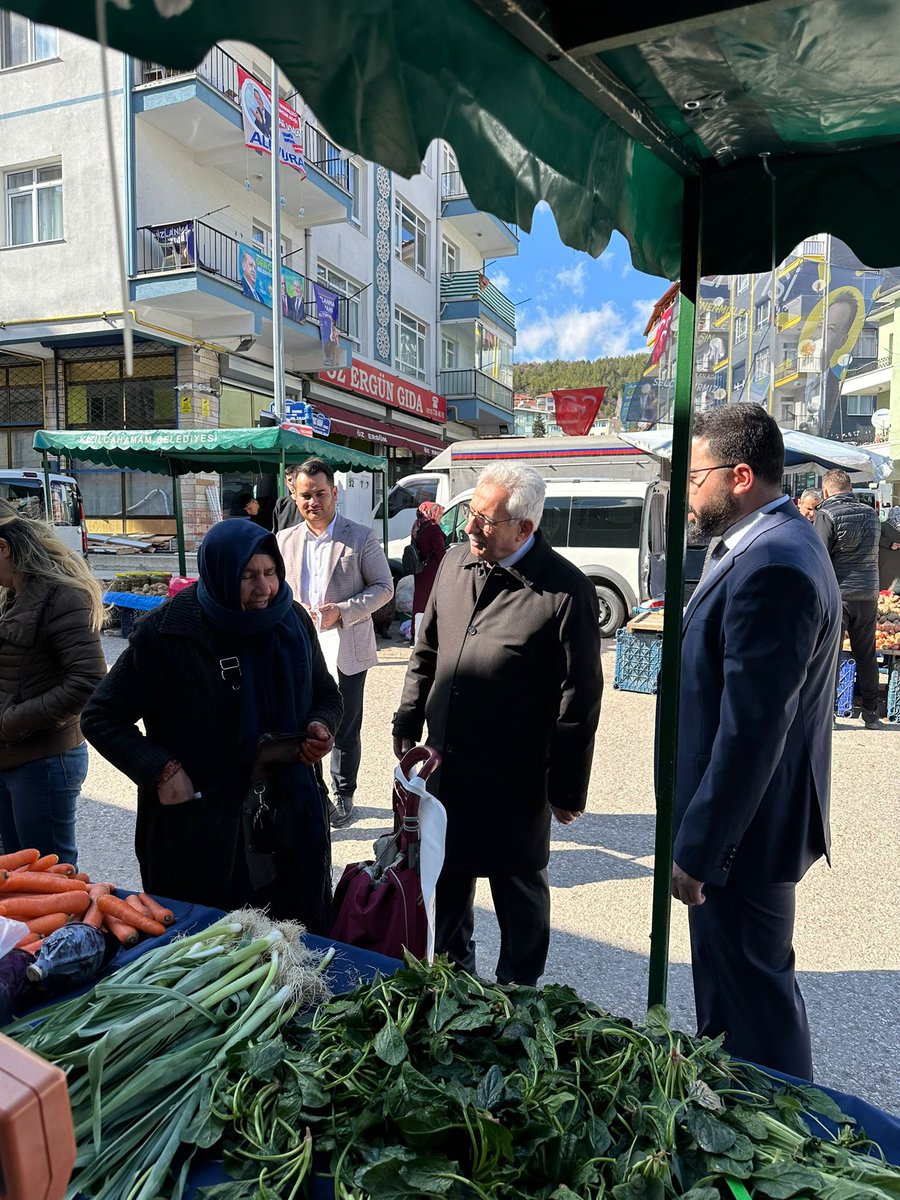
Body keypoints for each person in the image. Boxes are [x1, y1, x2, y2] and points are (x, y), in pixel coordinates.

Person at [672, 404, 841, 1079]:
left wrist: (702, 848)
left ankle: (783, 1145)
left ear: (740, 476)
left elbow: (753, 729)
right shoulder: (770, 545)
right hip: (745, 830)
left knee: (756, 1013)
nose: (689, 491)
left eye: (695, 477)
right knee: (735, 1002)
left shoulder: (773, 563)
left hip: (742, 838)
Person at [392, 463, 603, 986]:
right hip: (446, 763)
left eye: (485, 521)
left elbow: (579, 698)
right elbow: (427, 647)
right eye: (470, 515)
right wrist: (408, 715)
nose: (470, 529)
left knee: (520, 892)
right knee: (446, 883)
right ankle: (452, 986)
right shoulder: (456, 562)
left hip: (516, 775)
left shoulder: (565, 591)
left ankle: (519, 1000)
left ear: (524, 530)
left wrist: (567, 787)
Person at [81, 520, 342, 929]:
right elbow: (100, 717)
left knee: (294, 944)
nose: (264, 589)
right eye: (247, 575)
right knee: (213, 951)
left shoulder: (291, 621)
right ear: (220, 572)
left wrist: (320, 726)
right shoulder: (166, 633)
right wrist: (162, 769)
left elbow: (327, 694)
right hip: (204, 828)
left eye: (270, 573)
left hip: (290, 819)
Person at [277, 458, 393, 829]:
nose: (314, 502)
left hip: (346, 646)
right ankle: (314, 792)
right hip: (299, 647)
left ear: (335, 493)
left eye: (321, 494)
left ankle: (344, 794)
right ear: (295, 498)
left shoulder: (359, 537)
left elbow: (384, 588)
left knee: (344, 725)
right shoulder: (283, 540)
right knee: (299, 722)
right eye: (306, 495)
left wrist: (341, 611)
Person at [0, 502, 106, 870]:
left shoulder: (62, 596)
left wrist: (10, 721)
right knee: (13, 876)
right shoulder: (10, 593)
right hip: (9, 757)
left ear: (3, 547)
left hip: (43, 762)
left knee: (50, 876)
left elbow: (88, 682)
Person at [814, 469, 882, 728]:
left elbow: (818, 555)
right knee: (866, 654)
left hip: (839, 594)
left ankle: (827, 714)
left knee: (830, 654)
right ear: (850, 488)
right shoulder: (872, 514)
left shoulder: (826, 513)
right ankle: (872, 713)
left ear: (826, 490)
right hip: (868, 594)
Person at [409, 501, 447, 630]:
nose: (441, 516)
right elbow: (440, 551)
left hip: (420, 570)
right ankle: (428, 631)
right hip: (432, 570)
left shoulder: (418, 527)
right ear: (433, 513)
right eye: (440, 513)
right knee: (432, 601)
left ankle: (416, 631)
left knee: (420, 601)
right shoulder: (433, 528)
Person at [878, 504, 900, 590]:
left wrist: (889, 544)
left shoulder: (882, 526)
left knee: (886, 587)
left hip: (885, 562)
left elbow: (876, 537)